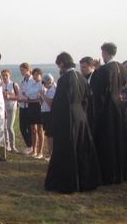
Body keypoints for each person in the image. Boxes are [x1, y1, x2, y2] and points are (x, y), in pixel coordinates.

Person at [44, 52, 101, 194]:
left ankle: (66, 182)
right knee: (81, 149)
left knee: (66, 149)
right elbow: (88, 99)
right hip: (81, 117)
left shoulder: (64, 80)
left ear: (62, 64)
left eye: (59, 65)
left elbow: (59, 104)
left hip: (67, 119)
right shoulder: (81, 78)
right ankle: (84, 180)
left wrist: (53, 123)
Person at [90, 42, 127, 185]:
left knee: (107, 140)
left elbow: (96, 87)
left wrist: (96, 70)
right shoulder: (120, 67)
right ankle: (121, 171)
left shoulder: (105, 70)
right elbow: (123, 84)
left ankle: (108, 174)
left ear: (106, 53)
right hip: (118, 106)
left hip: (106, 108)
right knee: (118, 139)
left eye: (102, 52)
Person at [17, 63, 35, 154]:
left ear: (27, 69)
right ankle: (29, 145)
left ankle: (31, 146)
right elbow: (20, 92)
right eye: (20, 70)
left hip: (30, 106)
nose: (21, 72)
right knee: (22, 127)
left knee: (30, 126)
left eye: (22, 70)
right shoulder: (23, 81)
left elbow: (32, 92)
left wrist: (26, 95)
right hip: (22, 105)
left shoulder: (33, 80)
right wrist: (20, 97)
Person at [28, 68, 45, 159]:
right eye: (34, 74)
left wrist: (30, 99)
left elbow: (40, 98)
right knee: (33, 129)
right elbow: (29, 94)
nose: (35, 76)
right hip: (31, 106)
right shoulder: (32, 84)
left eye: (37, 74)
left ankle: (40, 151)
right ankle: (34, 150)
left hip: (39, 107)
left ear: (40, 75)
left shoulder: (42, 84)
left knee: (40, 129)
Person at [40, 73, 56, 161]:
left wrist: (43, 95)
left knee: (50, 135)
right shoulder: (48, 90)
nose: (44, 85)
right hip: (45, 113)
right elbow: (44, 103)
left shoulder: (53, 90)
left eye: (45, 83)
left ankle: (51, 154)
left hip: (49, 114)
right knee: (48, 134)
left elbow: (50, 103)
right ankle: (50, 153)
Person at [1, 69, 19, 152]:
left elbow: (18, 96)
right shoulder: (0, 85)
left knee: (9, 127)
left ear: (9, 75)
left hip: (12, 108)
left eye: (6, 75)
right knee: (4, 128)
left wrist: (9, 97)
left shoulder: (14, 84)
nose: (4, 77)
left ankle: (13, 146)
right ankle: (6, 145)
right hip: (2, 108)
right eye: (3, 75)